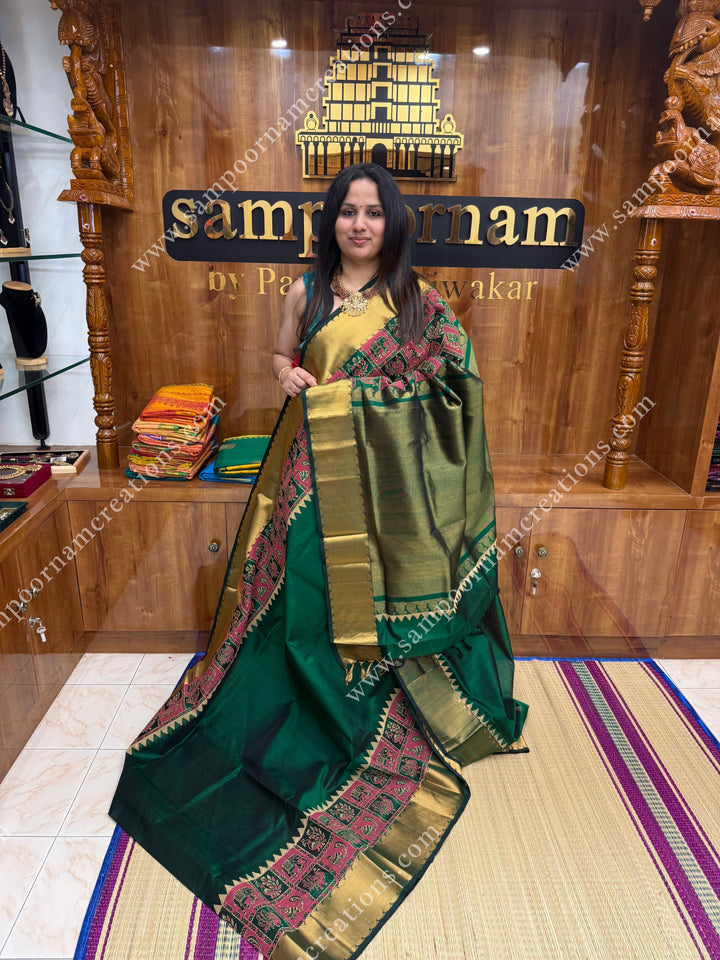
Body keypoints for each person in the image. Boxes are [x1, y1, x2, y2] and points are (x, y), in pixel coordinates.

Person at [109, 162, 528, 960]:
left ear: (391, 223)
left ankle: (368, 696)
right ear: (331, 220)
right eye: (348, 212)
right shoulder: (305, 293)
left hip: (382, 488)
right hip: (308, 474)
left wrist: (366, 401)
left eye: (373, 213)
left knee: (357, 598)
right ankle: (294, 696)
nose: (360, 224)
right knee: (296, 595)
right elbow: (278, 360)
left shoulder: (416, 302)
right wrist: (292, 375)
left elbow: (454, 390)